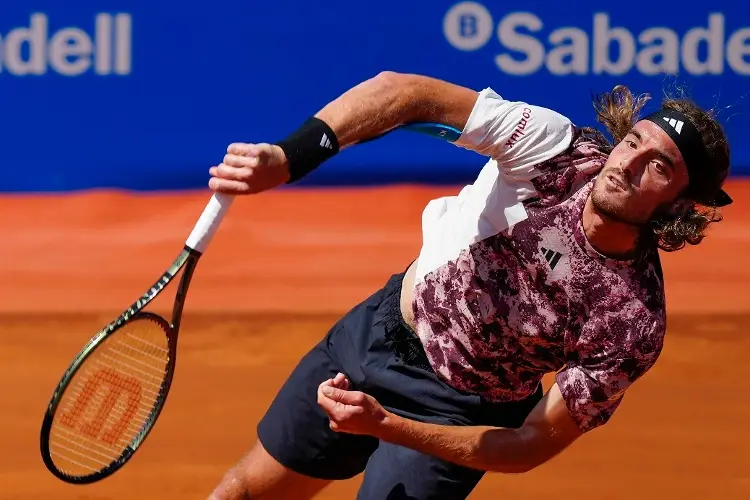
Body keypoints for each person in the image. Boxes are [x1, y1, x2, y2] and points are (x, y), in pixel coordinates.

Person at [205, 71, 732, 500]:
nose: (628, 164)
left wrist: (389, 426)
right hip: (380, 332)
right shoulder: (553, 152)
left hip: (463, 412)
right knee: (243, 491)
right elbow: (403, 94)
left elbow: (528, 444)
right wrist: (289, 157)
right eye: (634, 140)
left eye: (658, 167)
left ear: (680, 205)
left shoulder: (630, 322)